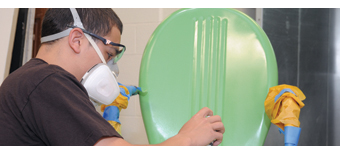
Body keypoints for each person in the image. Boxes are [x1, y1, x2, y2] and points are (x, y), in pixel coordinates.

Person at [0, 8, 224, 146]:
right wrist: (188, 138)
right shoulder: (48, 81)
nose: (111, 68)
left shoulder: (29, 80)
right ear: (77, 40)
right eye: (108, 55)